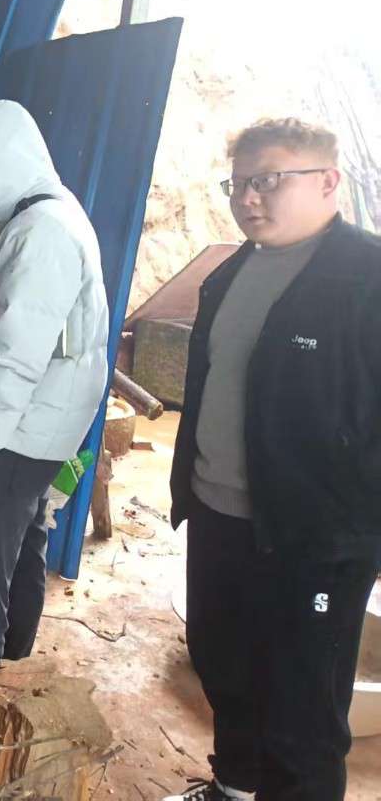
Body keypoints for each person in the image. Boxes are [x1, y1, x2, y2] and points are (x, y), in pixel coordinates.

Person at [162, 119, 381, 801]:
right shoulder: (231, 273)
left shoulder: (367, 277)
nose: (248, 198)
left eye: (268, 180)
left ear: (328, 182)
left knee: (303, 710)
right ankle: (232, 788)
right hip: (218, 513)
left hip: (312, 539)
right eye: (238, 184)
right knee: (224, 667)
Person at [0, 99, 109, 716]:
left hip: (14, 433)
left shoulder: (40, 233)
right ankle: (9, 682)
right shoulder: (54, 215)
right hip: (42, 429)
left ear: (2, 164)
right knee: (23, 548)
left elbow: (16, 358)